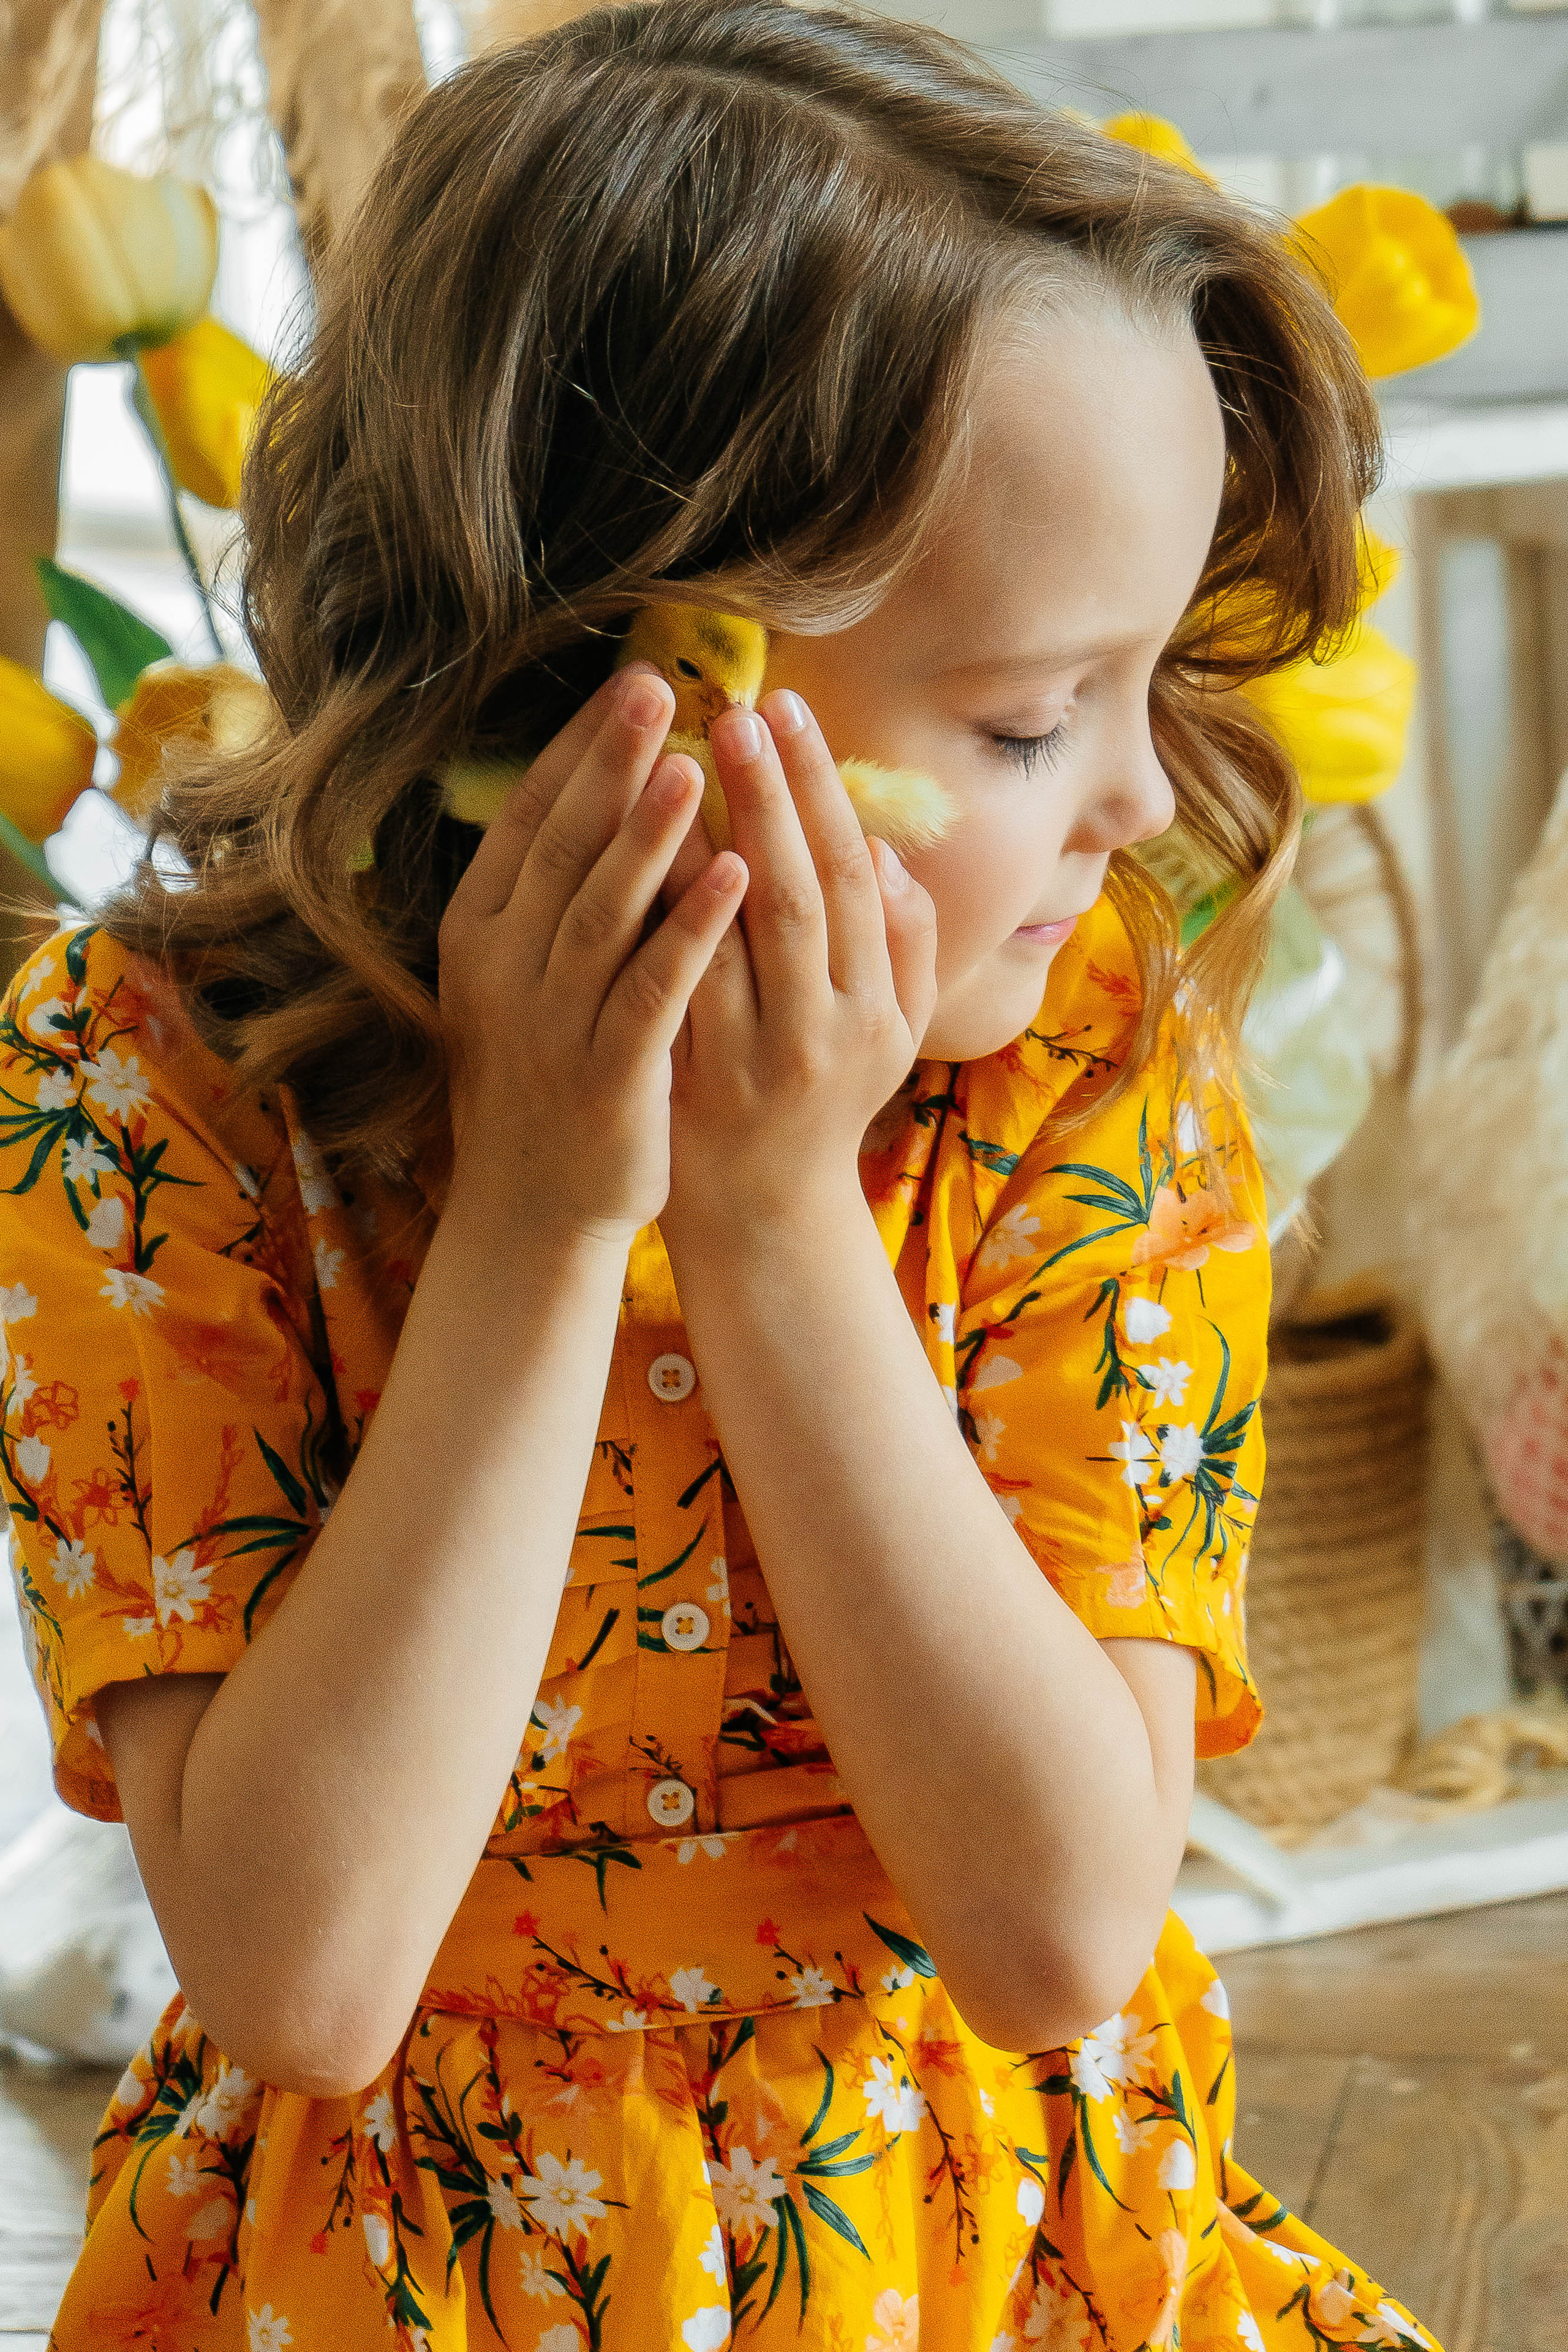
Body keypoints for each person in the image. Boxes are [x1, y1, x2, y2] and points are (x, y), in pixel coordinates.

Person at [2, 3, 1438, 2345]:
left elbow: (1058, 1927)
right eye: (1024, 716)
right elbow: (305, 1974)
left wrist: (771, 1217)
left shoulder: (1083, 1066)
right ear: (605, 691)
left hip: (979, 2265)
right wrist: (560, 1211)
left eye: (1151, 677)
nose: (1141, 807)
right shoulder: (137, 1087)